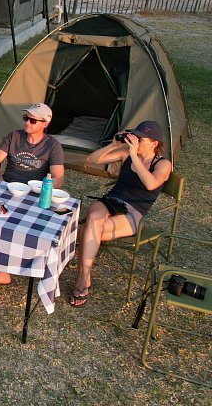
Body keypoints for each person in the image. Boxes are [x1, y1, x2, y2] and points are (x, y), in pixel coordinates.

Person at [69, 121, 172, 307]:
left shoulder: (163, 164)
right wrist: (113, 145)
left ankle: (83, 276)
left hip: (134, 211)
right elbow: (91, 160)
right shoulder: (125, 154)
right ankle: (83, 278)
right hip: (111, 201)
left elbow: (150, 184)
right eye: (135, 136)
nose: (136, 141)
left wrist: (134, 154)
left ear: (155, 143)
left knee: (87, 231)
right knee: (94, 218)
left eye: (141, 138)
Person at [0, 103, 65, 289]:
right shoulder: (14, 136)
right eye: (26, 118)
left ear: (45, 124)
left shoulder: (52, 146)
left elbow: (58, 178)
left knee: (14, 227)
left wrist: (45, 190)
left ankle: (9, 270)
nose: (28, 122)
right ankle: (0, 270)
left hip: (34, 194)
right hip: (9, 187)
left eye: (33, 120)